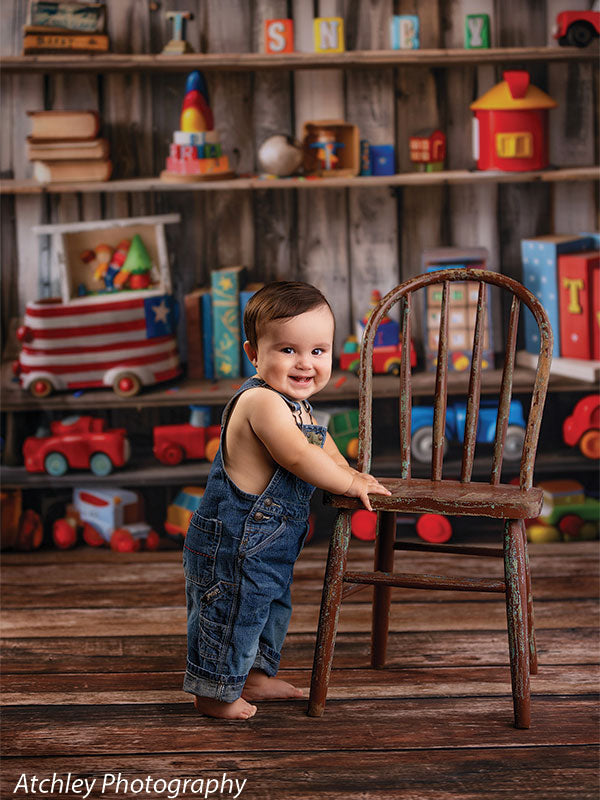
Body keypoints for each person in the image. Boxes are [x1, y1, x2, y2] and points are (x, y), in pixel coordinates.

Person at [183, 281, 390, 720]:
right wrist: (346, 485)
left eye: (318, 351)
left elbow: (321, 445)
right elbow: (297, 455)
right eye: (287, 350)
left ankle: (253, 674)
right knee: (233, 608)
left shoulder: (297, 406)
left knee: (267, 605)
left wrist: (350, 472)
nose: (305, 363)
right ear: (254, 353)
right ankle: (214, 690)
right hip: (235, 540)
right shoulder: (261, 401)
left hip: (266, 543)